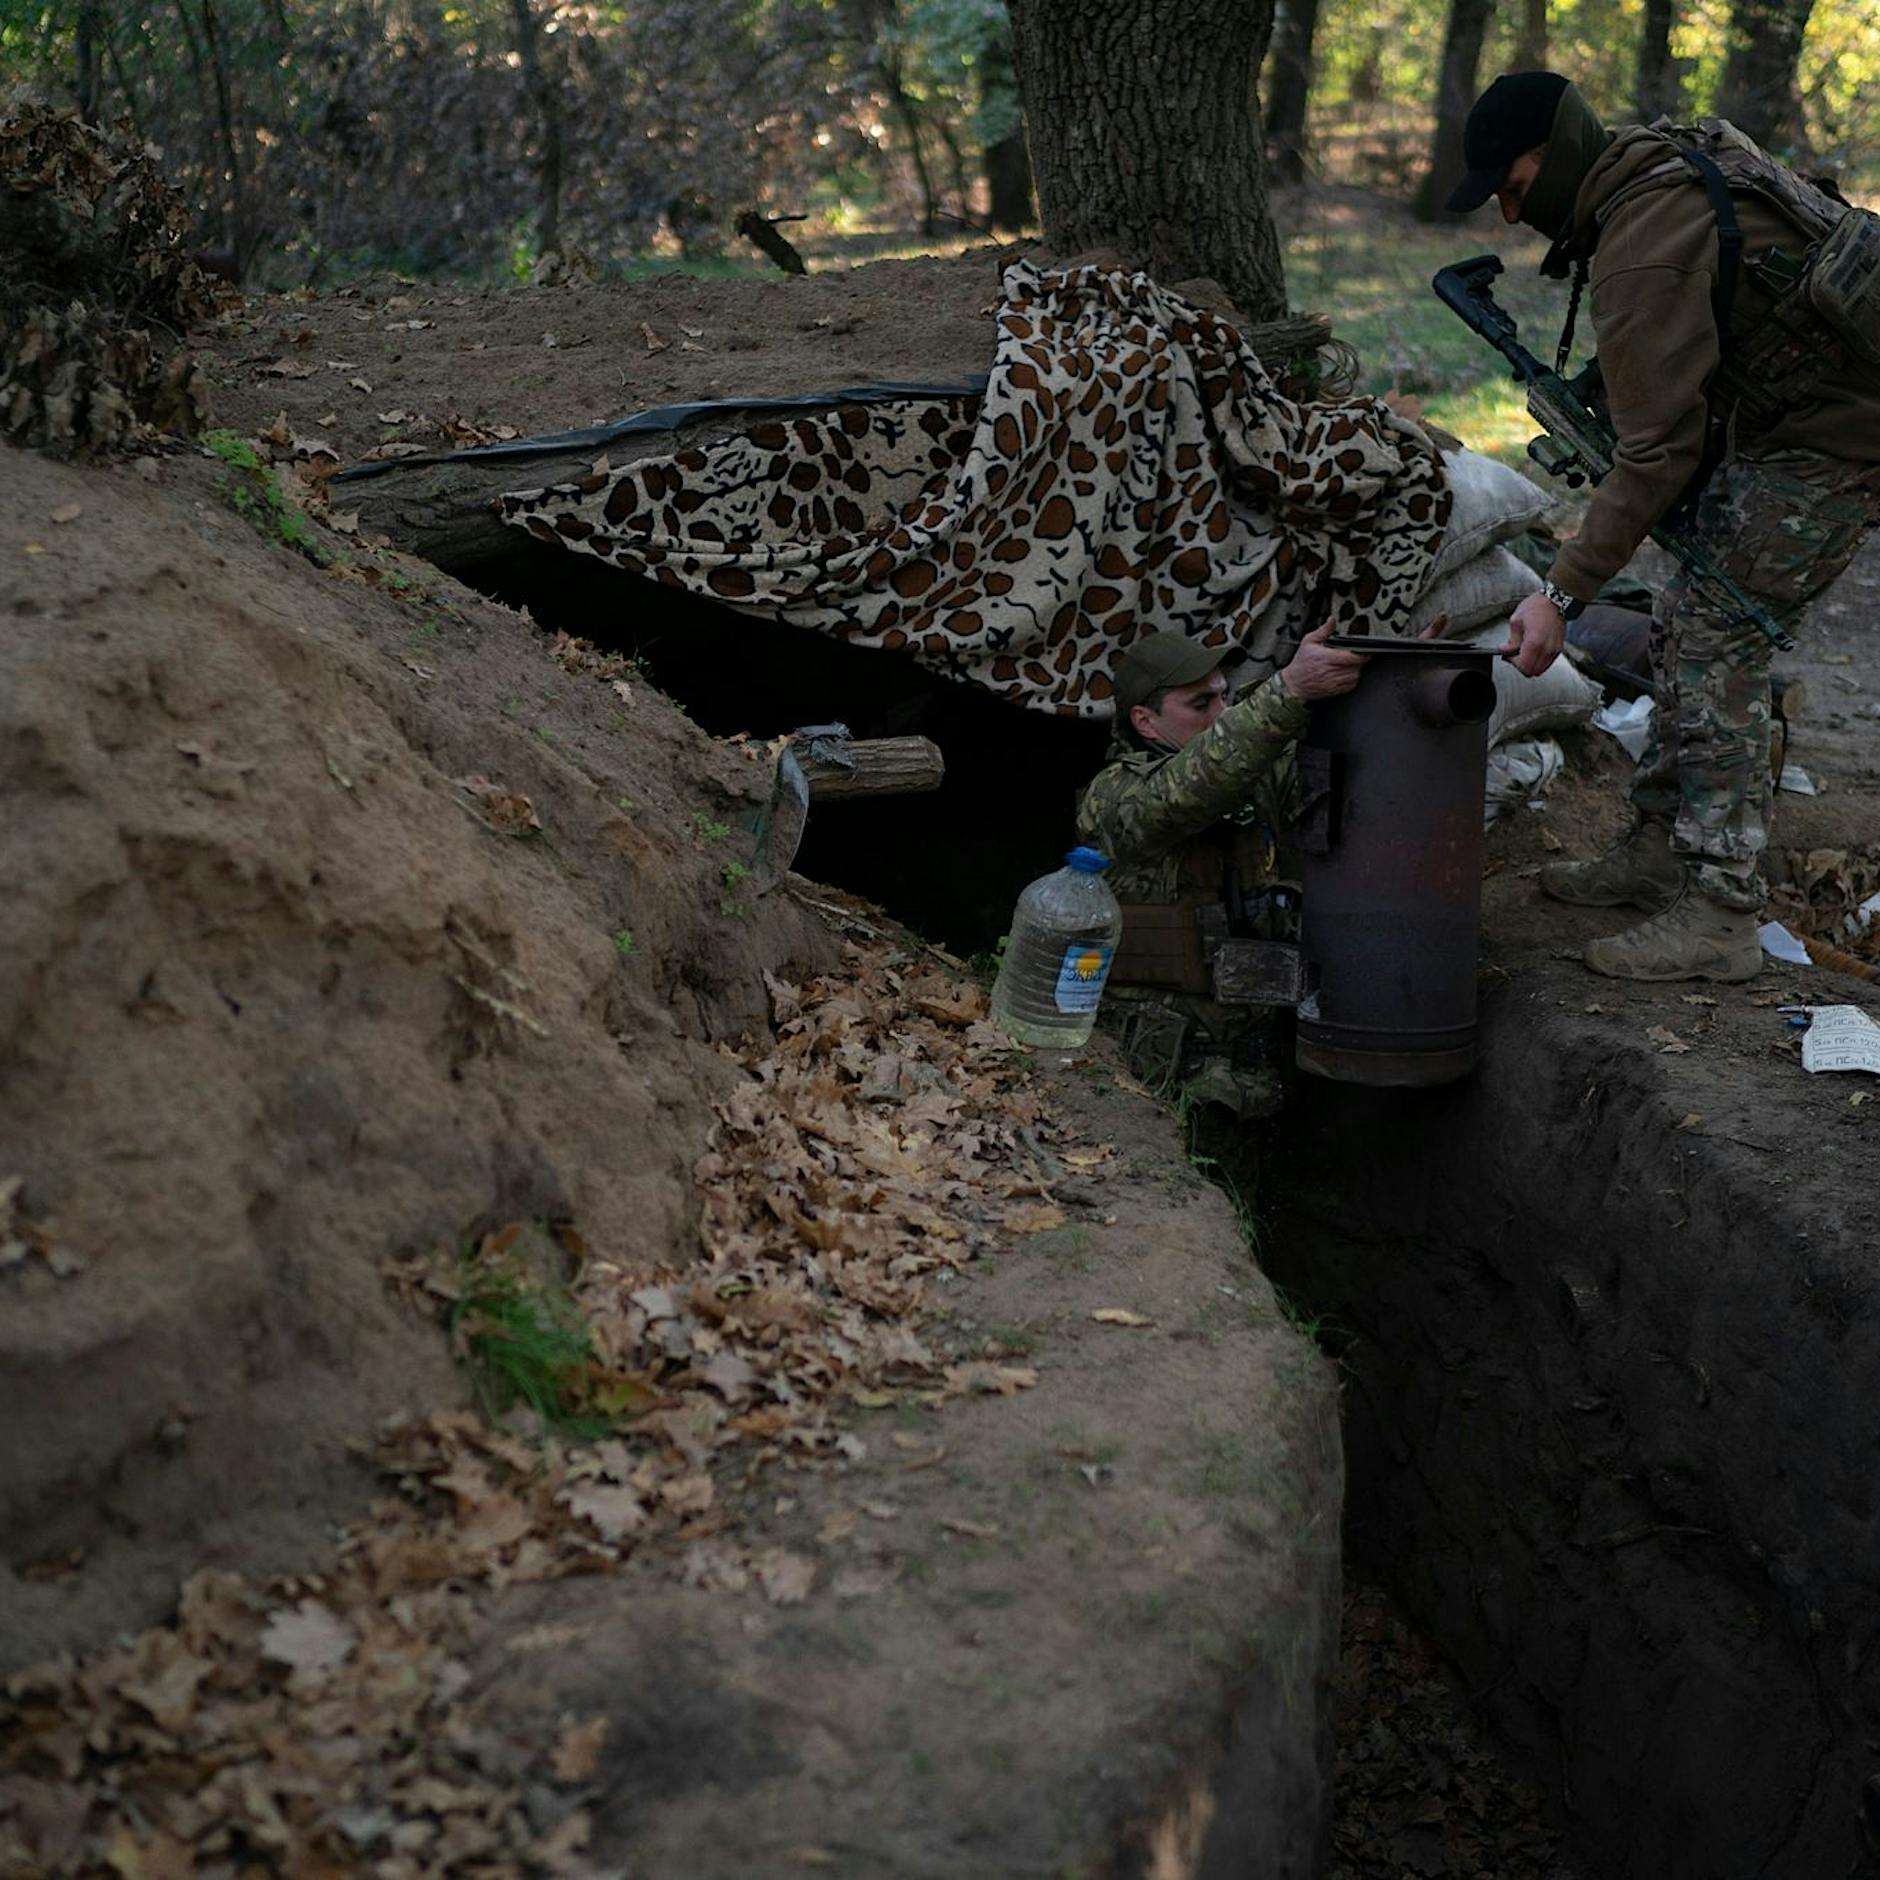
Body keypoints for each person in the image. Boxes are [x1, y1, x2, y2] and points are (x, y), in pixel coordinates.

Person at [1446, 70, 1880, 981]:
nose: (1513, 215)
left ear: (1553, 154)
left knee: (1716, 638)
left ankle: (1721, 911)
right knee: (1684, 619)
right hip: (1798, 424)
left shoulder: (1642, 239)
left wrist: (1563, 591)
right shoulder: (1658, 167)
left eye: (1514, 188)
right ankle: (1659, 847)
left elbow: (1655, 455)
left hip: (1836, 440)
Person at [1073, 621, 1366, 1108]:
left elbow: (1336, 784)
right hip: (1151, 1081)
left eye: (1223, 697)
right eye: (1200, 704)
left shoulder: (1256, 776)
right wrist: (1288, 689)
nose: (1221, 713)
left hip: (1255, 1073)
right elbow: (1190, 788)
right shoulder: (1114, 795)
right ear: (1145, 722)